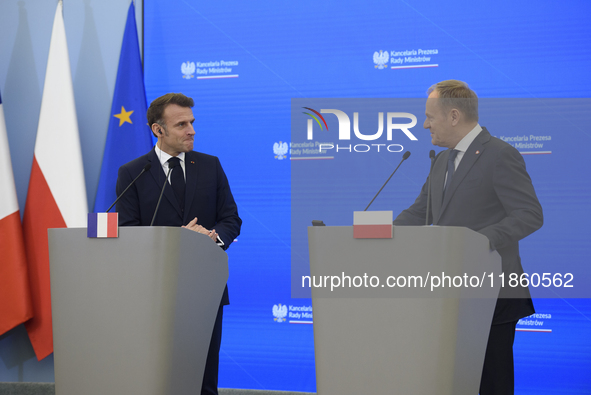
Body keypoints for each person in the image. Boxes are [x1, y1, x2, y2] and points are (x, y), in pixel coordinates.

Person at [393, 80, 543, 395]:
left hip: (494, 292)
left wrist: (478, 239)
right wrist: (379, 233)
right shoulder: (441, 162)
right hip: (450, 294)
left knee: (491, 383)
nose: (424, 124)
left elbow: (530, 214)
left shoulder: (500, 154)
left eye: (430, 117)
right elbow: (420, 213)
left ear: (454, 116)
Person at [116, 93, 242, 395]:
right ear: (157, 130)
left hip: (205, 289)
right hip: (153, 293)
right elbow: (128, 231)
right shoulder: (133, 172)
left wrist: (213, 237)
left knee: (204, 379)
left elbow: (231, 219)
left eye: (192, 122)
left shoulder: (210, 166)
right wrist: (177, 240)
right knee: (157, 378)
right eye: (181, 124)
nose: (192, 130)